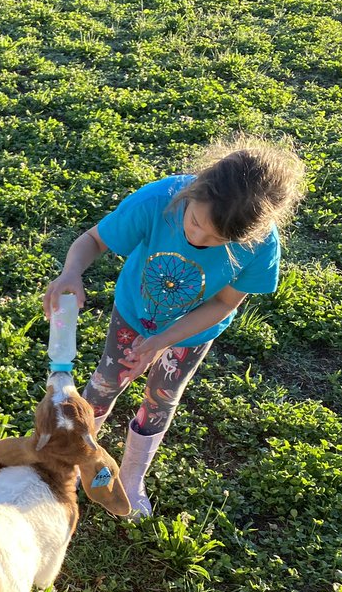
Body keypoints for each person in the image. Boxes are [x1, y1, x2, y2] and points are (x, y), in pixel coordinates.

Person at [43, 136, 305, 516]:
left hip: (190, 334)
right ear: (195, 190)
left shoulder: (259, 243)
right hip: (134, 316)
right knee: (104, 383)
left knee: (162, 397)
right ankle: (78, 459)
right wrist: (71, 272)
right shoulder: (159, 200)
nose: (198, 238)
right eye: (196, 222)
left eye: (218, 240)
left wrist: (163, 341)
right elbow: (93, 240)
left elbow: (224, 303)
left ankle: (132, 477)